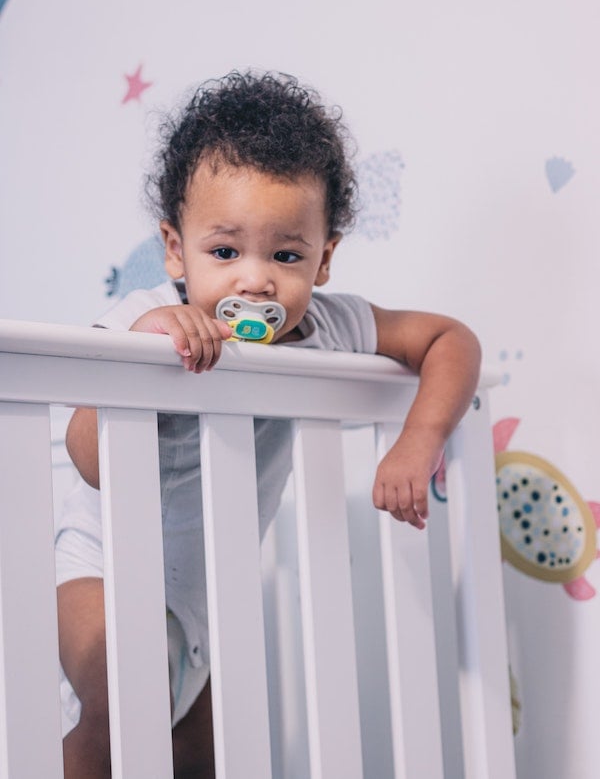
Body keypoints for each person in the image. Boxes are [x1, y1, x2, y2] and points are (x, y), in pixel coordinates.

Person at [57, 70, 481, 778]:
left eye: (285, 255)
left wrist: (418, 439)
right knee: (121, 712)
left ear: (324, 257)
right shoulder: (146, 318)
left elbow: (451, 340)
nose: (255, 281)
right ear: (174, 248)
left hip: (207, 600)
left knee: (203, 753)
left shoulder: (328, 324)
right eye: (224, 252)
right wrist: (147, 346)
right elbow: (89, 458)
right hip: (102, 569)